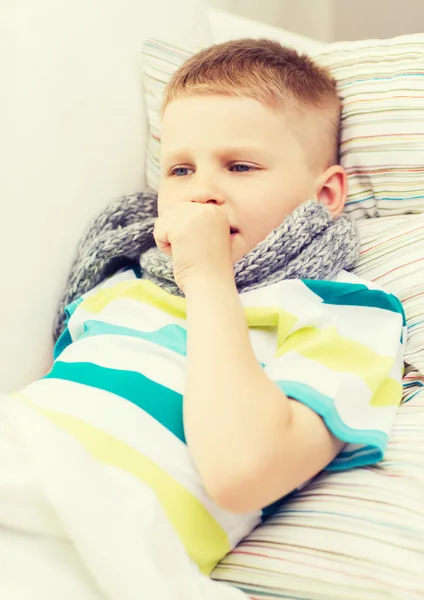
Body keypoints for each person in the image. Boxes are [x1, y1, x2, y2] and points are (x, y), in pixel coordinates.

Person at [12, 39, 405, 578]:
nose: (202, 192)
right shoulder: (119, 284)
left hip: (98, 540)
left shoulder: (348, 311)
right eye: (179, 171)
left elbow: (242, 472)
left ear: (327, 194)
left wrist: (207, 277)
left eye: (240, 166)